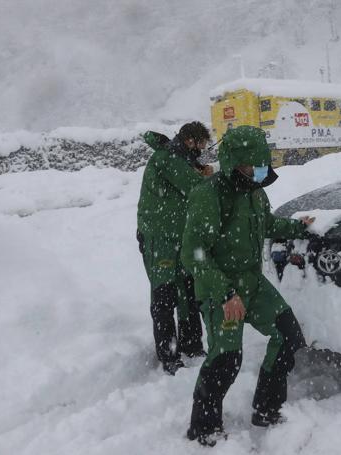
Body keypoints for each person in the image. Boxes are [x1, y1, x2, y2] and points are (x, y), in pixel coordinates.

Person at [181, 126, 314, 446]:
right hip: (221, 289)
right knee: (226, 358)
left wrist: (297, 226)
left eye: (261, 167)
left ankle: (266, 410)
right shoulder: (209, 195)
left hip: (253, 283)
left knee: (288, 336)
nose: (258, 173)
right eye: (250, 167)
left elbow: (266, 224)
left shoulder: (255, 190)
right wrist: (225, 293)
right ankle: (204, 426)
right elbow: (193, 253)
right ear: (232, 165)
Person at [137, 121, 214, 375]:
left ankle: (191, 345)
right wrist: (208, 175)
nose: (201, 151)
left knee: (189, 292)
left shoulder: (178, 159)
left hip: (179, 239)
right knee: (164, 297)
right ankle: (168, 355)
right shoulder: (166, 158)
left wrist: (196, 168)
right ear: (190, 141)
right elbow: (195, 187)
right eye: (200, 146)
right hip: (160, 241)